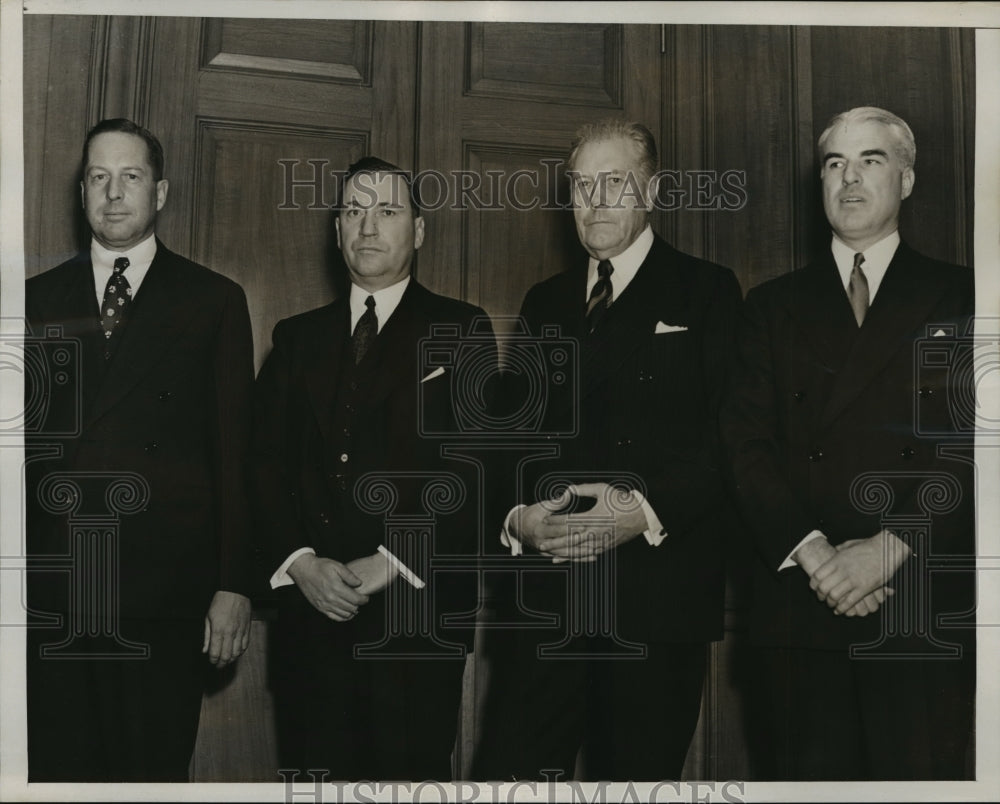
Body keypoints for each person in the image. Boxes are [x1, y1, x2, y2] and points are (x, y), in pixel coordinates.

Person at [472, 119, 743, 781]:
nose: (594, 200)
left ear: (649, 191)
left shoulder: (706, 291)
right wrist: (517, 518)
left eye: (613, 183)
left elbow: (731, 440)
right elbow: (514, 441)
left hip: (655, 602)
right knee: (508, 780)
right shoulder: (546, 302)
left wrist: (640, 512)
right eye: (581, 185)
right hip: (548, 602)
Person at [723, 106, 975, 780]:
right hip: (800, 610)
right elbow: (746, 449)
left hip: (917, 606)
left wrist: (889, 548)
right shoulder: (770, 305)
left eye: (872, 160)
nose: (850, 178)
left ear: (909, 180)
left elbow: (976, 447)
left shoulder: (967, 294)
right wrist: (819, 559)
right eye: (835, 163)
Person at [24, 118, 254, 782]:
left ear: (160, 193)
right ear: (81, 191)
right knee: (58, 775)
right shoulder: (33, 301)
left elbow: (234, 453)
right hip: (55, 594)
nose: (113, 193)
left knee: (147, 776)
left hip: (164, 597)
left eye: (130, 177)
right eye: (99, 177)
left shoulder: (212, 301)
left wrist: (233, 583)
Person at [253, 156, 495, 780]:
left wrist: (389, 562)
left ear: (418, 230)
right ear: (336, 231)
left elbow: (470, 472)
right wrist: (299, 563)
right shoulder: (295, 339)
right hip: (312, 623)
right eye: (354, 212)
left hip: (416, 624)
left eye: (387, 211)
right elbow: (262, 467)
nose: (368, 227)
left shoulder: (461, 329)